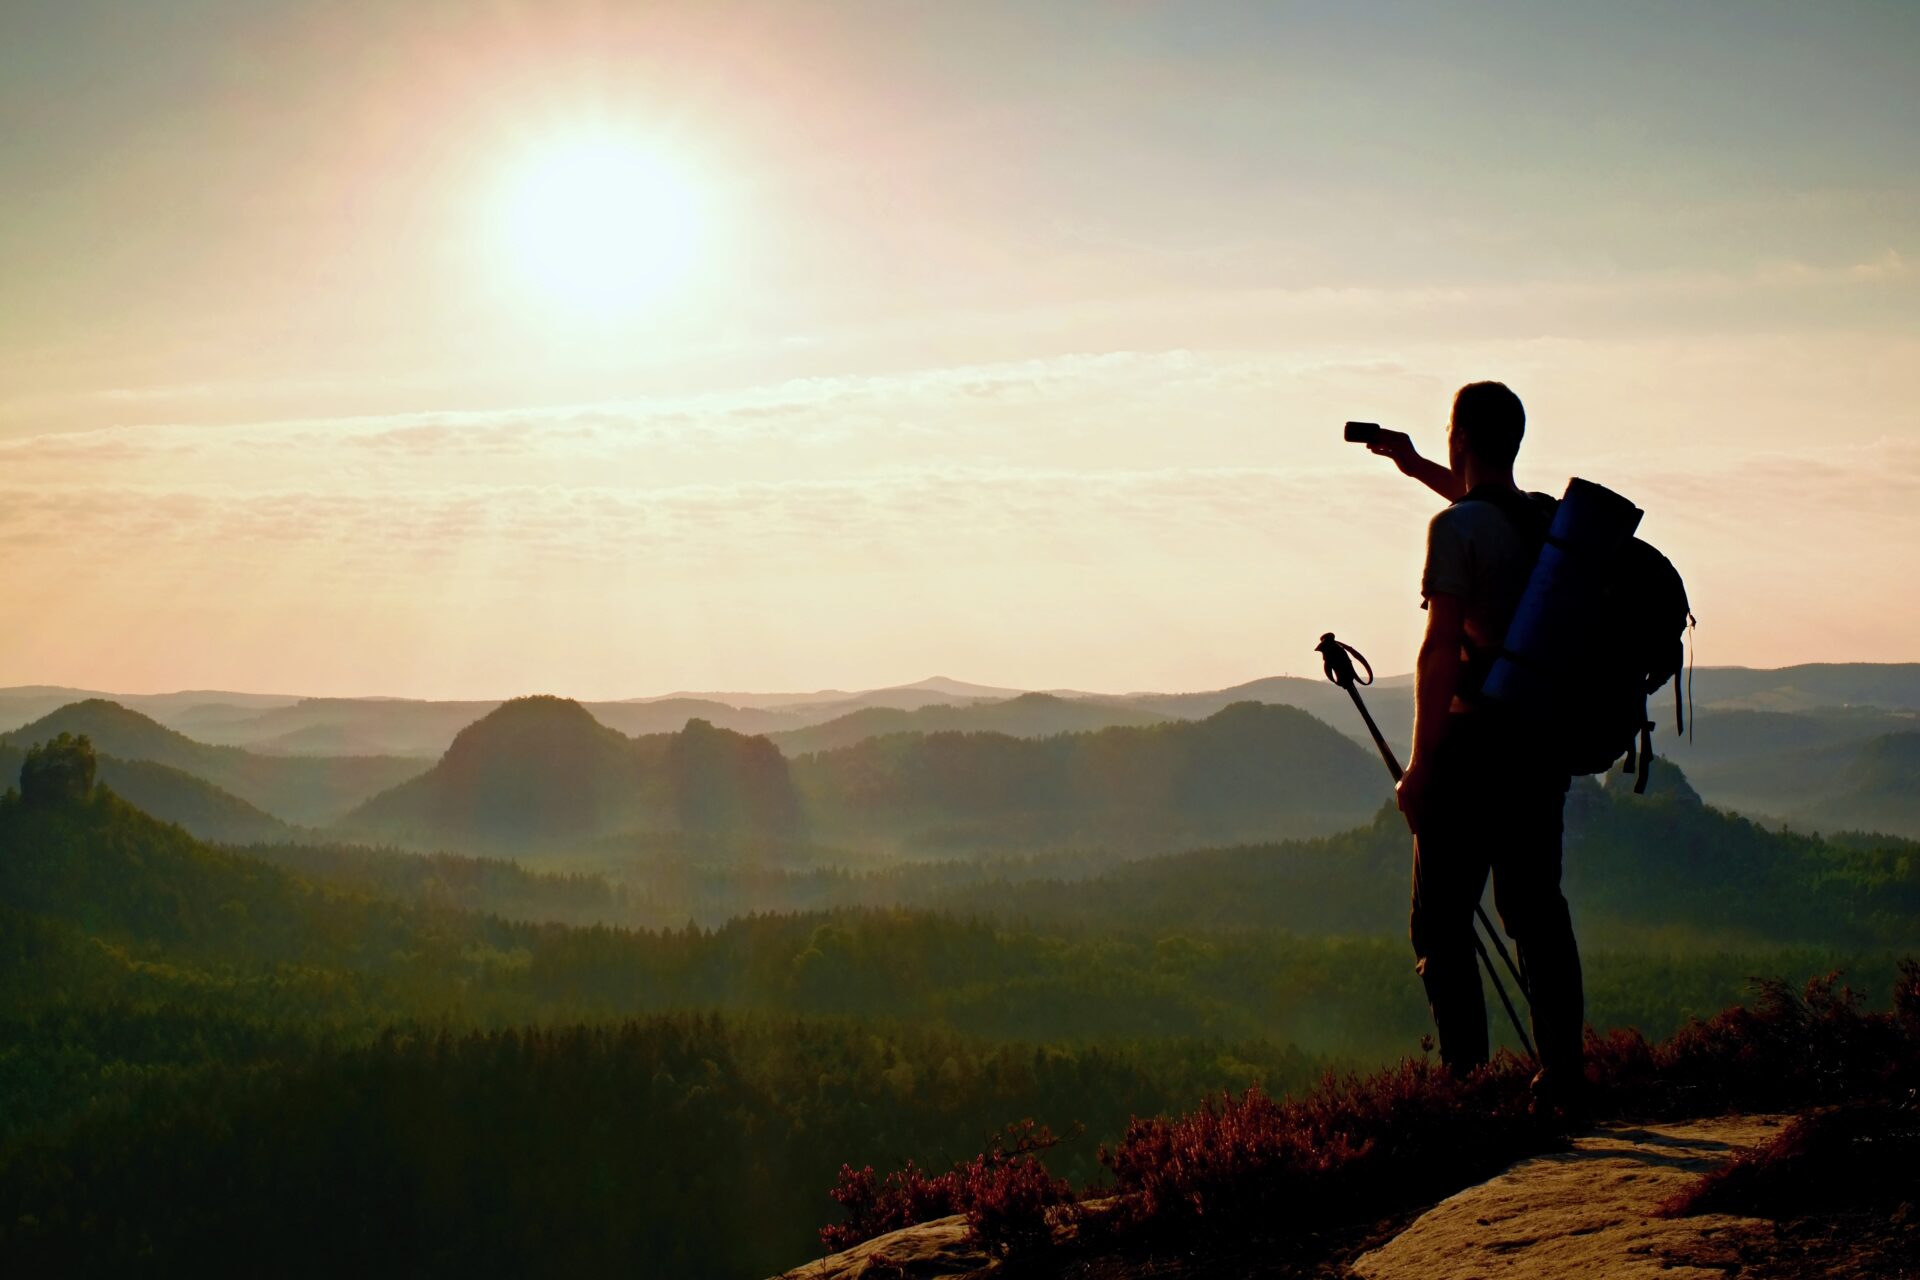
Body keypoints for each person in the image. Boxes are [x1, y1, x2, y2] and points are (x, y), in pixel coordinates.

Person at [1366, 382, 1587, 1113]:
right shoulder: (1548, 524)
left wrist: (1421, 769)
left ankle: (1467, 1089)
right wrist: (1415, 465)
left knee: (1441, 924)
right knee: (1535, 910)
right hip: (1537, 744)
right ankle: (1562, 1075)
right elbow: (1486, 517)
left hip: (1468, 748)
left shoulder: (1453, 531)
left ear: (1459, 435)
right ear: (1515, 441)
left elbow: (1438, 653)